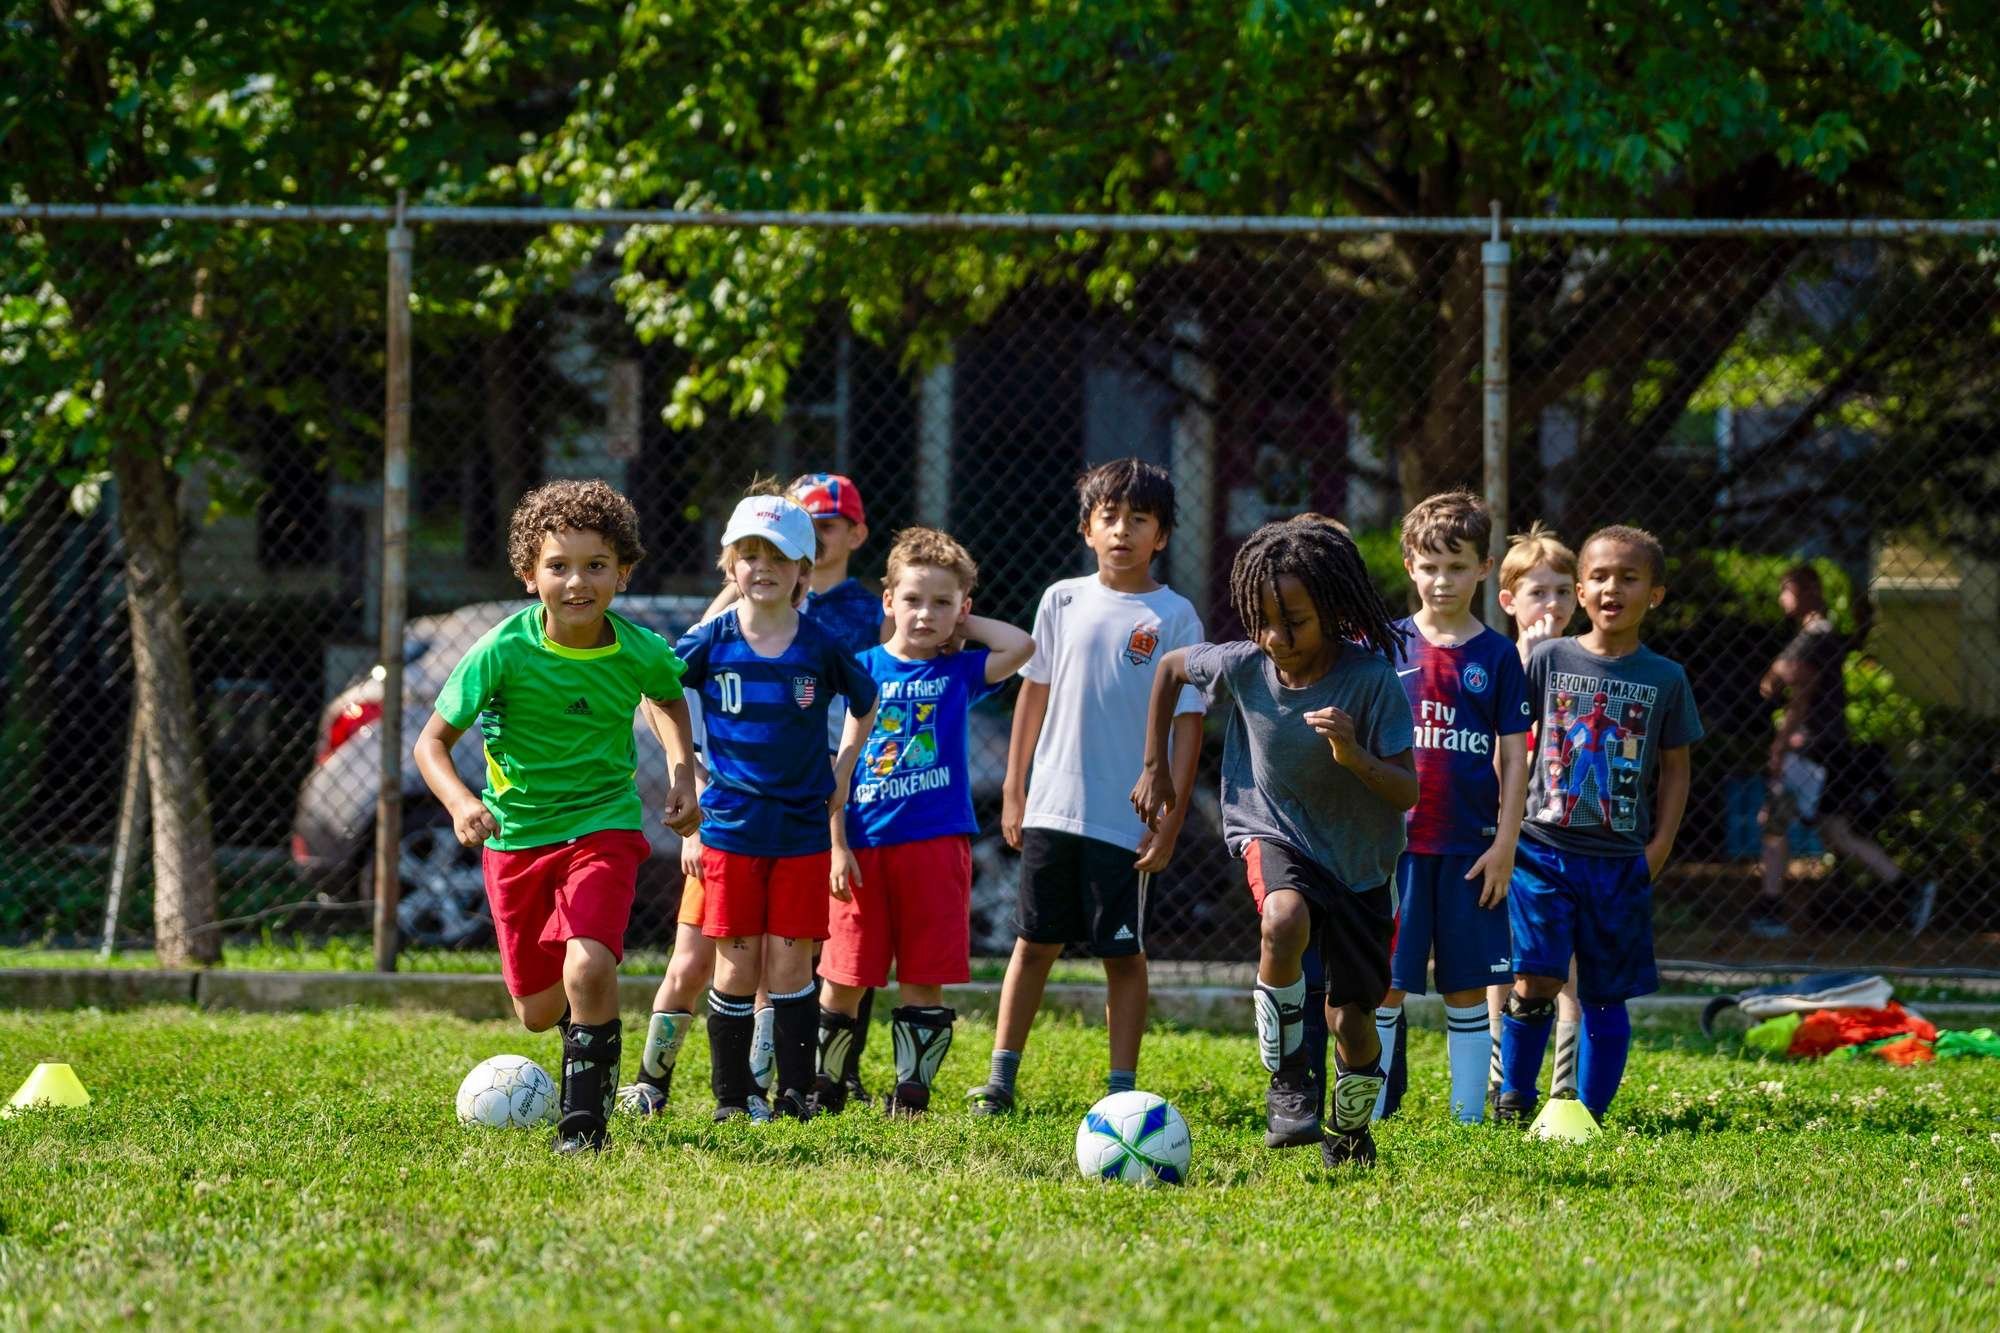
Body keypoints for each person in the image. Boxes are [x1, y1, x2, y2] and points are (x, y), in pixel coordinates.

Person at [413, 479, 700, 1154]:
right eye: (559, 566)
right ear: (528, 574)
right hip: (516, 840)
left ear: (622, 572)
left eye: (596, 565)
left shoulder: (637, 647)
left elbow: (665, 695)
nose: (578, 582)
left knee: (589, 965)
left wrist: (684, 767)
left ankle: (583, 1123)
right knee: (539, 1010)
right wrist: (462, 801)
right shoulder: (501, 652)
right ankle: (585, 1040)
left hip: (602, 827)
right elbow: (431, 743)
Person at [1134, 517, 1416, 1167]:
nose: (1275, 638)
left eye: (1294, 621)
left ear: (1333, 610)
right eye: (1261, 620)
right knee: (1282, 918)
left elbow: (1406, 792)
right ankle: (1289, 1078)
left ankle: (1350, 1130)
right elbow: (1172, 668)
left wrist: (1352, 753)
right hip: (1273, 830)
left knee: (1352, 1022)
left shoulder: (1369, 679)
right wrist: (1154, 764)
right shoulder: (1245, 663)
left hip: (1362, 864)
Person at [966, 458, 1206, 1114]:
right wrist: (1015, 790)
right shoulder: (1061, 601)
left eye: (1140, 519)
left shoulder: (1176, 616)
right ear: (1087, 529)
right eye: (1110, 517)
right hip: (1052, 808)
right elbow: (1032, 698)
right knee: (1034, 942)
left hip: (1125, 820)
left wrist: (1171, 818)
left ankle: (1121, 1093)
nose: (1122, 530)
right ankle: (1000, 1078)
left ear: (1161, 536)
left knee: (1122, 954)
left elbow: (1188, 726)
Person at [653, 473, 888, 1110]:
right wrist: (687, 772)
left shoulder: (821, 645)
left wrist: (842, 772)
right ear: (729, 563)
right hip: (730, 828)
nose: (763, 567)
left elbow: (866, 706)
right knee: (733, 965)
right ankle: (732, 1097)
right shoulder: (710, 641)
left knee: (789, 968)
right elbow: (658, 691)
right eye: (750, 554)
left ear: (803, 569)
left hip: (802, 833)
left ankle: (794, 1094)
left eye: (779, 556)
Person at [815, 527, 1035, 1115]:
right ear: (888, 601)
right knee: (843, 976)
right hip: (861, 846)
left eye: (942, 603)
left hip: (936, 848)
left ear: (962, 609)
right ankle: (827, 1085)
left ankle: (911, 1092)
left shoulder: (958, 672)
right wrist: (836, 846)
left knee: (922, 975)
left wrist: (963, 627)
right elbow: (835, 765)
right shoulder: (858, 669)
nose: (925, 613)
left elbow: (1021, 646)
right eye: (912, 599)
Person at [1495, 526, 1703, 1125]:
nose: (1613, 588)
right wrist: (1505, 831)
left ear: (1655, 594)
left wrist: (1658, 846)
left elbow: (1676, 770)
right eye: (1601, 577)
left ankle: (1590, 1114)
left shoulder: (1666, 677)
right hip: (1541, 850)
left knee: (1604, 994)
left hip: (1618, 861)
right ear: (1581, 590)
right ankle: (1515, 1100)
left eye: (1630, 578)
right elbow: (1514, 746)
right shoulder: (1549, 659)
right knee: (1535, 975)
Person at [1375, 491, 1530, 1123]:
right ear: (1409, 564)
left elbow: (1516, 759)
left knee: (1466, 986)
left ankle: (1467, 1119)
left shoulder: (1496, 656)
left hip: (1470, 850)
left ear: (1484, 569)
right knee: (1386, 985)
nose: (1443, 580)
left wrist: (1505, 845)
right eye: (1431, 565)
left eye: (1458, 566)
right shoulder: (1384, 645)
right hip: (1395, 848)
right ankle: (1373, 1109)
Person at [1754, 564, 1937, 938]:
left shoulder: (1816, 635)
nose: (1780, 599)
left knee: (1773, 821)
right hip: (1828, 746)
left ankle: (1769, 908)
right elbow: (1779, 676)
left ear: (1804, 590)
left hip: (1808, 748)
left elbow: (1795, 688)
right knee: (1837, 831)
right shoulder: (1819, 635)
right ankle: (1907, 887)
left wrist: (1780, 744)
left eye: (1785, 590)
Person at [1491, 522, 1585, 1101]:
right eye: (1537, 592)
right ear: (1509, 601)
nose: (1551, 605)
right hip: (1507, 832)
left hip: (1563, 836)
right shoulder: (1501, 661)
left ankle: (1564, 1080)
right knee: (1505, 958)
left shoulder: (1583, 663)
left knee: (1566, 960)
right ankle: (1504, 1075)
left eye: (1561, 592)